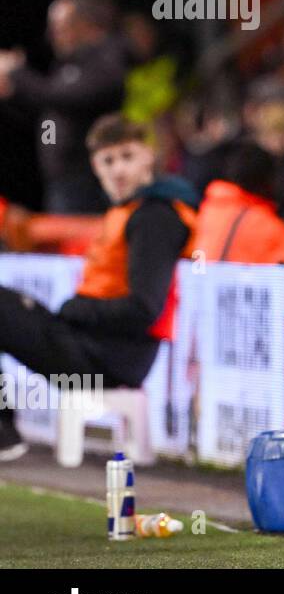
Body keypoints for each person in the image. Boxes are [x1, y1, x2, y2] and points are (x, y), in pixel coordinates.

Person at [0, 114, 198, 460]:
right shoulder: (133, 210)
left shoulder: (155, 216)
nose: (118, 169)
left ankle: (3, 431)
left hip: (109, 357)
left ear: (149, 156)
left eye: (127, 157)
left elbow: (143, 309)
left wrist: (76, 309)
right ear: (95, 165)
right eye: (109, 160)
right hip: (94, 346)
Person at [0, 0, 126, 213]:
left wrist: (17, 73)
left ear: (86, 25)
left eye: (62, 27)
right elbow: (46, 109)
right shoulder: (67, 65)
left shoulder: (105, 60)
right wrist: (11, 92)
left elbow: (62, 98)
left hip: (86, 182)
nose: (54, 35)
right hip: (60, 182)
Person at [192, 142, 284, 266]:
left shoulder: (209, 210)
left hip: (200, 284)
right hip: (232, 284)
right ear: (267, 181)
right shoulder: (259, 222)